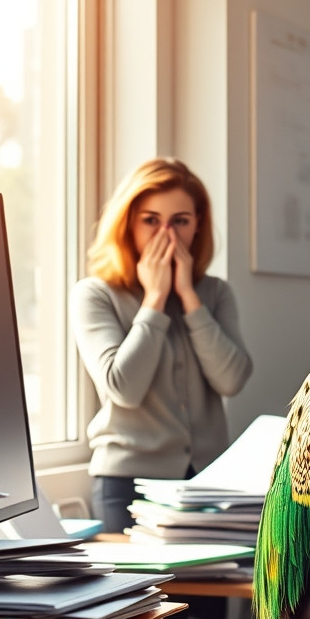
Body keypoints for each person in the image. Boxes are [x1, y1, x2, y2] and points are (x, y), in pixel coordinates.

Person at [73, 158, 253, 533]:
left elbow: (231, 380)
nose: (166, 235)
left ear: (197, 224)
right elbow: (123, 388)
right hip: (127, 486)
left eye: (180, 221)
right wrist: (154, 299)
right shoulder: (96, 294)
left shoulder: (215, 293)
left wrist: (188, 298)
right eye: (151, 220)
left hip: (208, 483)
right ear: (128, 223)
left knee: (219, 576)